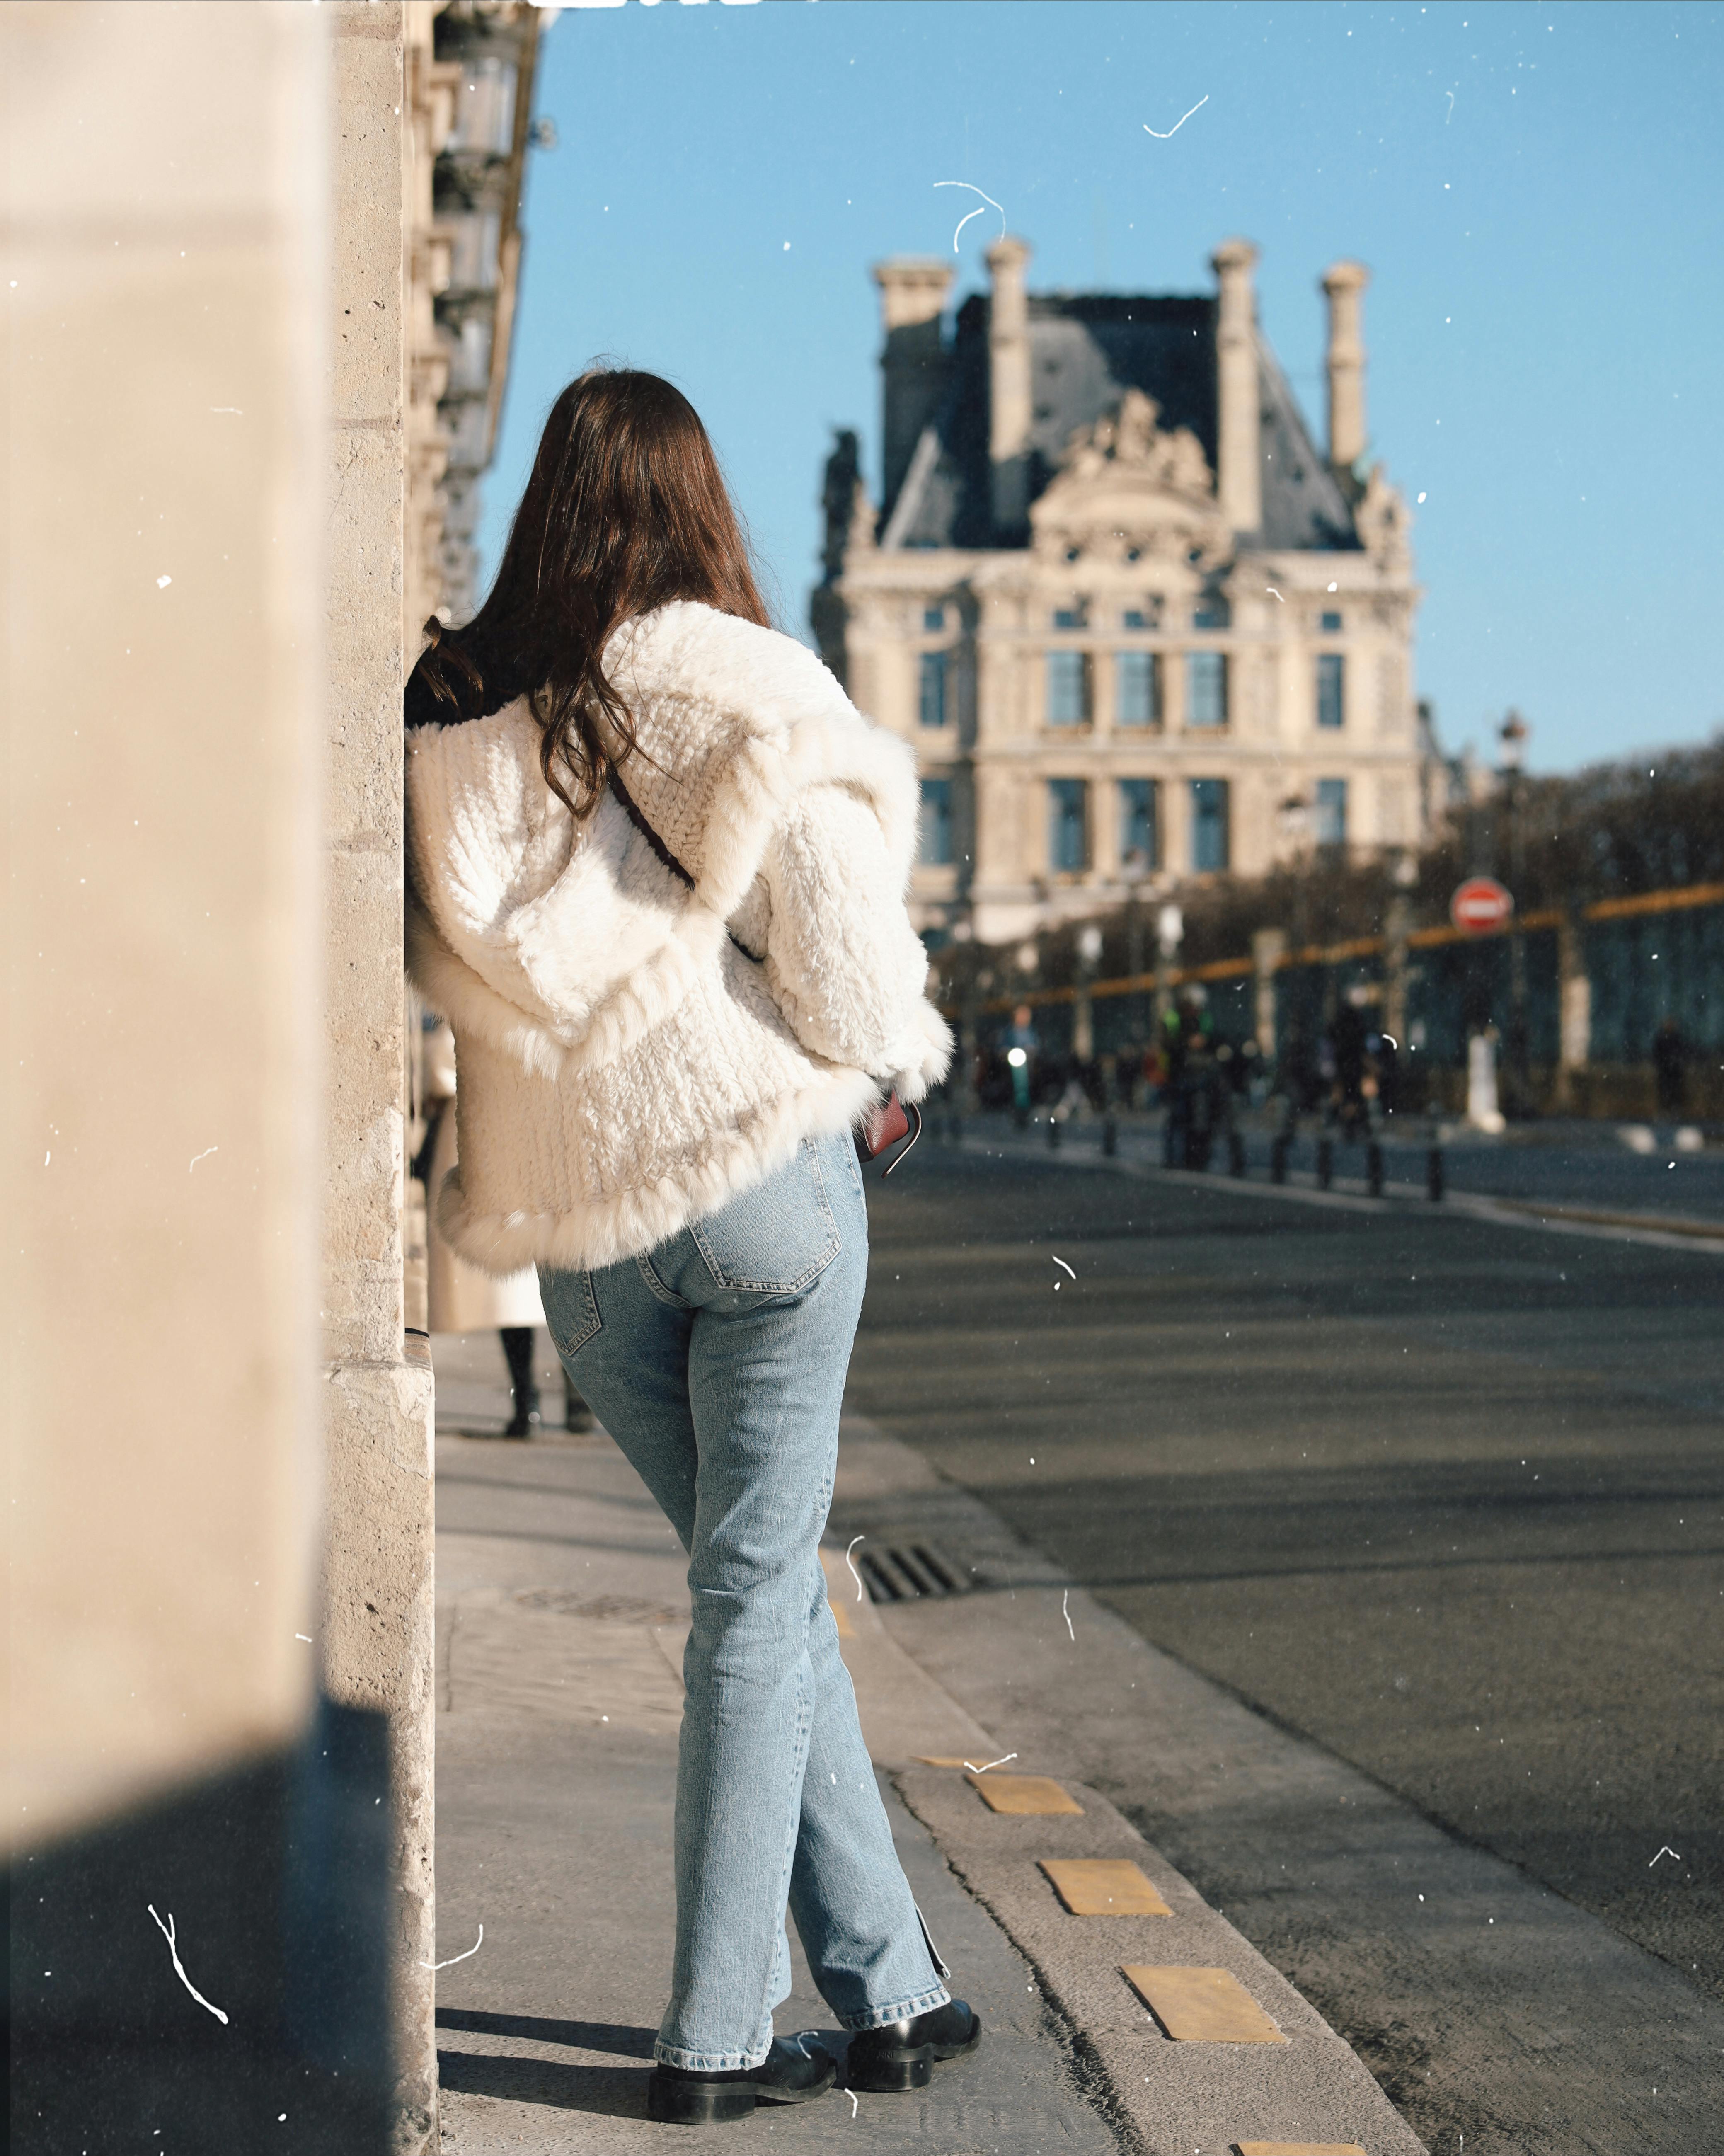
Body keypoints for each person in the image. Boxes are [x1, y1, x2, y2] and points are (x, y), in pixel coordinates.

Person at [402, 369, 976, 2125]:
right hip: (759, 1184)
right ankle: (717, 2036)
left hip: (586, 1229)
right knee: (755, 1599)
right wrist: (883, 1075)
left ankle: (890, 1986)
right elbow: (860, 979)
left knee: (758, 1587)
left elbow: (463, 959)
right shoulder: (745, 686)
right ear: (698, 503)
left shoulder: (457, 710)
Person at [416, 1015, 592, 1436]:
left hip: (487, 1134)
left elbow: (441, 1068)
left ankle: (527, 1398)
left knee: (511, 1293)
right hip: (545, 1136)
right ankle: (578, 1396)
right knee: (560, 1275)